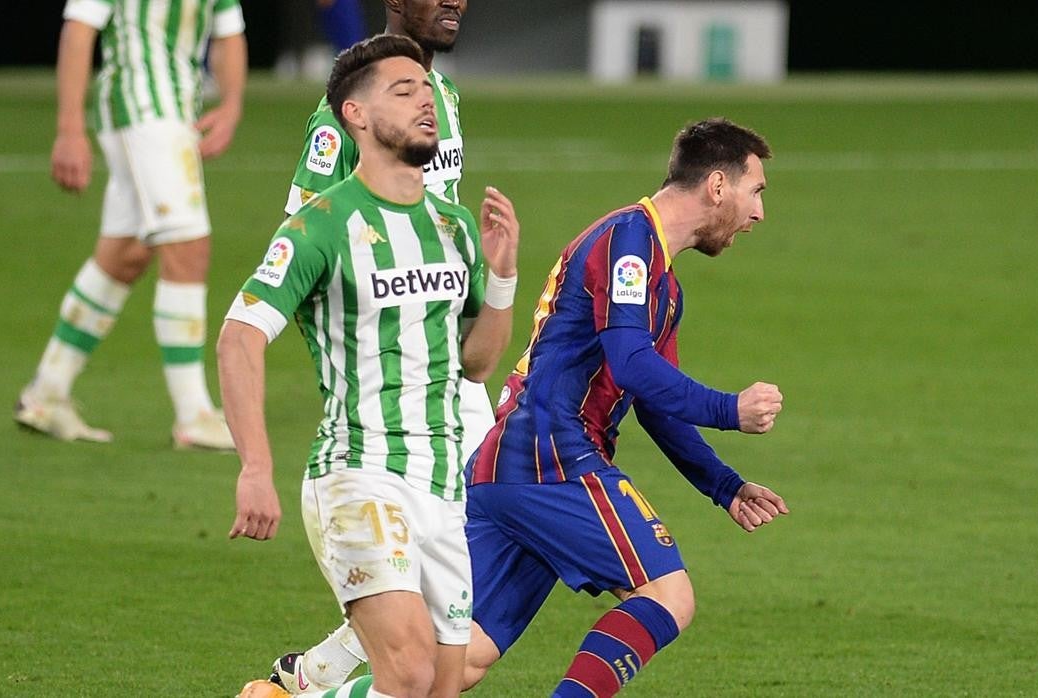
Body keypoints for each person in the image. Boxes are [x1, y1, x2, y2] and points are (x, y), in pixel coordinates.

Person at [263, 118, 790, 697]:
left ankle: (295, 694)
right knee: (668, 593)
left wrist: (725, 485)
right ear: (718, 185)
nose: (758, 212)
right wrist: (729, 407)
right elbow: (633, 361)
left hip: (510, 461)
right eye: (755, 191)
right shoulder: (628, 243)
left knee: (457, 667)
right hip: (552, 450)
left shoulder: (661, 281)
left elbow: (653, 401)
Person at [219, 34, 519, 698]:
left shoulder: (455, 226)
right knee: (408, 671)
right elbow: (239, 337)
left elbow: (478, 363)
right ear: (354, 115)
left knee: (444, 683)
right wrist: (255, 467)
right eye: (403, 91)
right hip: (359, 472)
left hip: (441, 487)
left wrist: (501, 278)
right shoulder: (320, 226)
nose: (426, 102)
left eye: (428, 89)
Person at [266, 2, 483, 692]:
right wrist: (364, 361)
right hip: (391, 381)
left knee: (460, 573)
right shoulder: (348, 111)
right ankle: (318, 677)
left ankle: (312, 676)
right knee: (442, 642)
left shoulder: (441, 97)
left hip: (448, 359)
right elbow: (302, 232)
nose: (455, 0)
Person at [13, 0, 247, 449]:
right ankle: (194, 414)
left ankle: (47, 392)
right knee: (187, 245)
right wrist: (68, 128)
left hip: (172, 107)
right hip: (141, 107)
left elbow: (228, 29)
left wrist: (232, 104)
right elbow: (79, 29)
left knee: (125, 255)